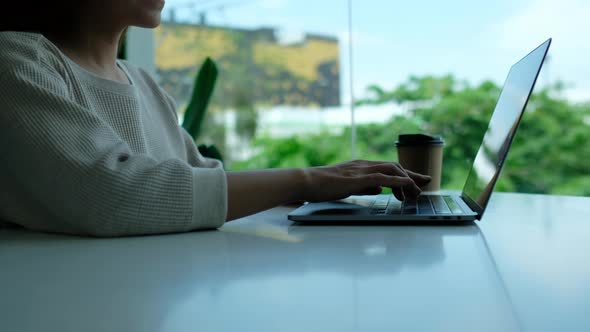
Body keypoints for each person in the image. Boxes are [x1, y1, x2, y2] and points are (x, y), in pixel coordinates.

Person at [0, 1, 430, 237]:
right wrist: (306, 179)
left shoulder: (142, 83)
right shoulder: (16, 61)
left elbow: (203, 178)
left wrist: (335, 193)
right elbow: (109, 193)